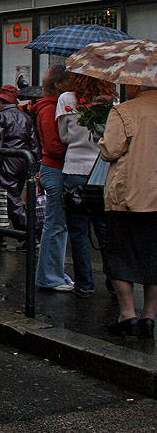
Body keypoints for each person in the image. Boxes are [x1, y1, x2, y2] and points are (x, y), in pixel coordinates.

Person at [98, 83, 157, 338]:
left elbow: (110, 150)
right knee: (153, 256)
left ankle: (128, 315)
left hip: (128, 193)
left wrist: (99, 136)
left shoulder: (124, 111)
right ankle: (149, 318)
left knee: (121, 254)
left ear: (135, 84)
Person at [57, 73, 114, 298]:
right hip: (102, 171)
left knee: (78, 231)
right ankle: (114, 284)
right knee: (104, 229)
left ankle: (84, 285)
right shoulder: (111, 102)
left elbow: (63, 137)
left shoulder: (66, 100)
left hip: (74, 169)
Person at [35, 65, 75, 291]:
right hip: (56, 167)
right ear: (57, 85)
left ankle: (54, 273)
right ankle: (50, 276)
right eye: (68, 82)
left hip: (52, 167)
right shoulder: (50, 109)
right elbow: (53, 145)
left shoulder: (48, 107)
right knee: (56, 224)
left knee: (58, 224)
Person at [0, 84, 40, 237]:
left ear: (2, 101)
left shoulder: (0, 117)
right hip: (24, 159)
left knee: (11, 198)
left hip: (8, 161)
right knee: (13, 196)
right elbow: (33, 143)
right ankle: (0, 234)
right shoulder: (26, 117)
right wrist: (34, 164)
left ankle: (27, 234)